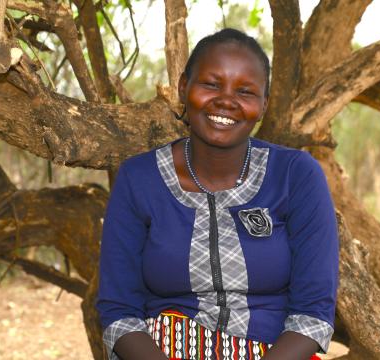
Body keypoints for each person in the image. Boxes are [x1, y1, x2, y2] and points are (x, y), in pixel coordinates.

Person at [96, 28, 339, 360]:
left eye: (245, 91)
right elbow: (119, 309)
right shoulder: (139, 178)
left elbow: (313, 312)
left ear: (263, 104)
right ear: (184, 87)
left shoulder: (296, 175)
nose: (226, 100)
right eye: (211, 84)